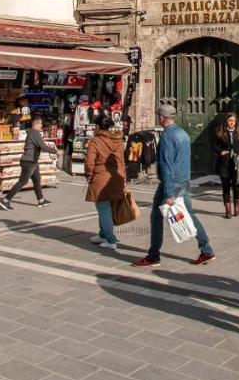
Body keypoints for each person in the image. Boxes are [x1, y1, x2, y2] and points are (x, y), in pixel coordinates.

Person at [133, 103, 215, 268]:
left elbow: (166, 165)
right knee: (189, 214)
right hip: (184, 181)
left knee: (156, 217)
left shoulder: (166, 137)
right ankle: (206, 250)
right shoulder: (183, 133)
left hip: (171, 183)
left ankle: (153, 256)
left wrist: (169, 192)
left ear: (162, 117)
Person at [84, 113, 126, 249]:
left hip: (101, 179)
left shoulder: (95, 141)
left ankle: (110, 239)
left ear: (97, 127)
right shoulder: (118, 140)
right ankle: (102, 234)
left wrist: (89, 176)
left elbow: (89, 163)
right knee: (106, 207)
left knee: (103, 207)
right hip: (116, 178)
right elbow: (121, 160)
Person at [0, 116, 58, 208]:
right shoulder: (34, 133)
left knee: (37, 180)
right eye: (40, 124)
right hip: (29, 161)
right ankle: (5, 201)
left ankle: (41, 200)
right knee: (22, 182)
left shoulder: (32, 133)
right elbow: (43, 147)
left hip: (33, 161)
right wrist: (56, 151)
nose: (41, 126)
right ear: (36, 124)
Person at [215, 113, 239, 219]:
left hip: (236, 164)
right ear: (226, 121)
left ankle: (237, 207)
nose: (231, 122)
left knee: (236, 186)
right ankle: (228, 210)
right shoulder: (220, 132)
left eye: (233, 120)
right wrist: (220, 151)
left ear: (236, 121)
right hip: (224, 164)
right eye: (230, 120)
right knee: (226, 186)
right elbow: (213, 145)